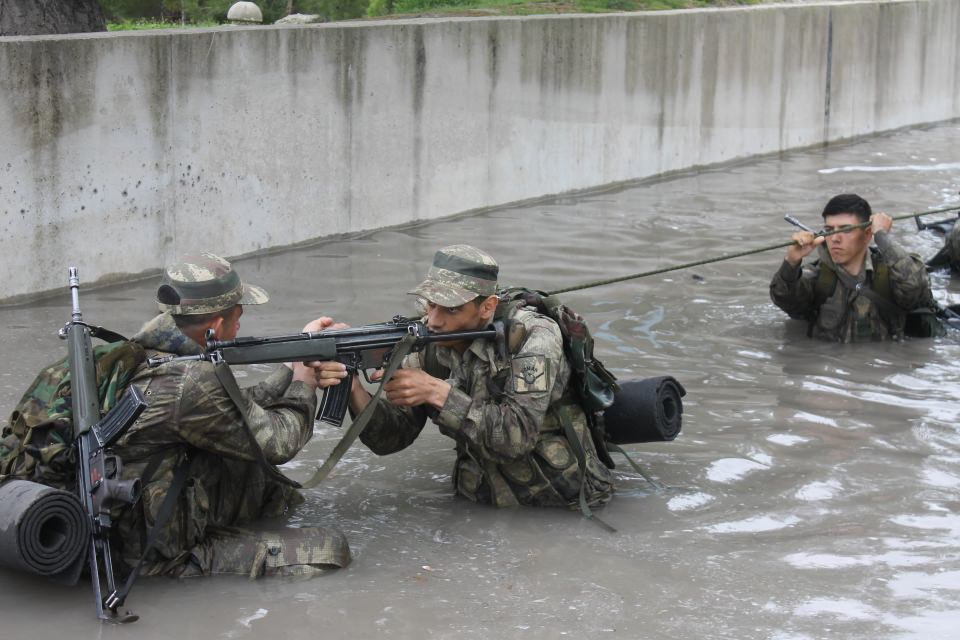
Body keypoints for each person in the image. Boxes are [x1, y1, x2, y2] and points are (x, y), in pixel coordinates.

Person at [111, 252, 351, 577]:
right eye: (238, 316)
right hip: (148, 553)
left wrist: (295, 357)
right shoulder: (191, 380)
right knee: (330, 550)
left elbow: (230, 409)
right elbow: (280, 442)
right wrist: (304, 384)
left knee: (271, 488)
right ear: (216, 324)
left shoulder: (149, 353)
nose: (239, 326)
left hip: (128, 518)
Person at [338, 244, 614, 510]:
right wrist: (355, 392)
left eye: (451, 309)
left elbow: (515, 437)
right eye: (430, 305)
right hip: (478, 500)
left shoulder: (534, 336)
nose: (433, 321)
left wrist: (437, 393)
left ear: (487, 307)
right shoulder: (427, 340)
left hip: (561, 502)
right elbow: (392, 438)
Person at [770, 194, 933, 342]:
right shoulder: (819, 277)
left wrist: (882, 236)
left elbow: (915, 286)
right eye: (829, 230)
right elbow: (785, 300)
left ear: (867, 234)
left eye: (845, 230)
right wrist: (791, 262)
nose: (834, 238)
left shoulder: (890, 273)